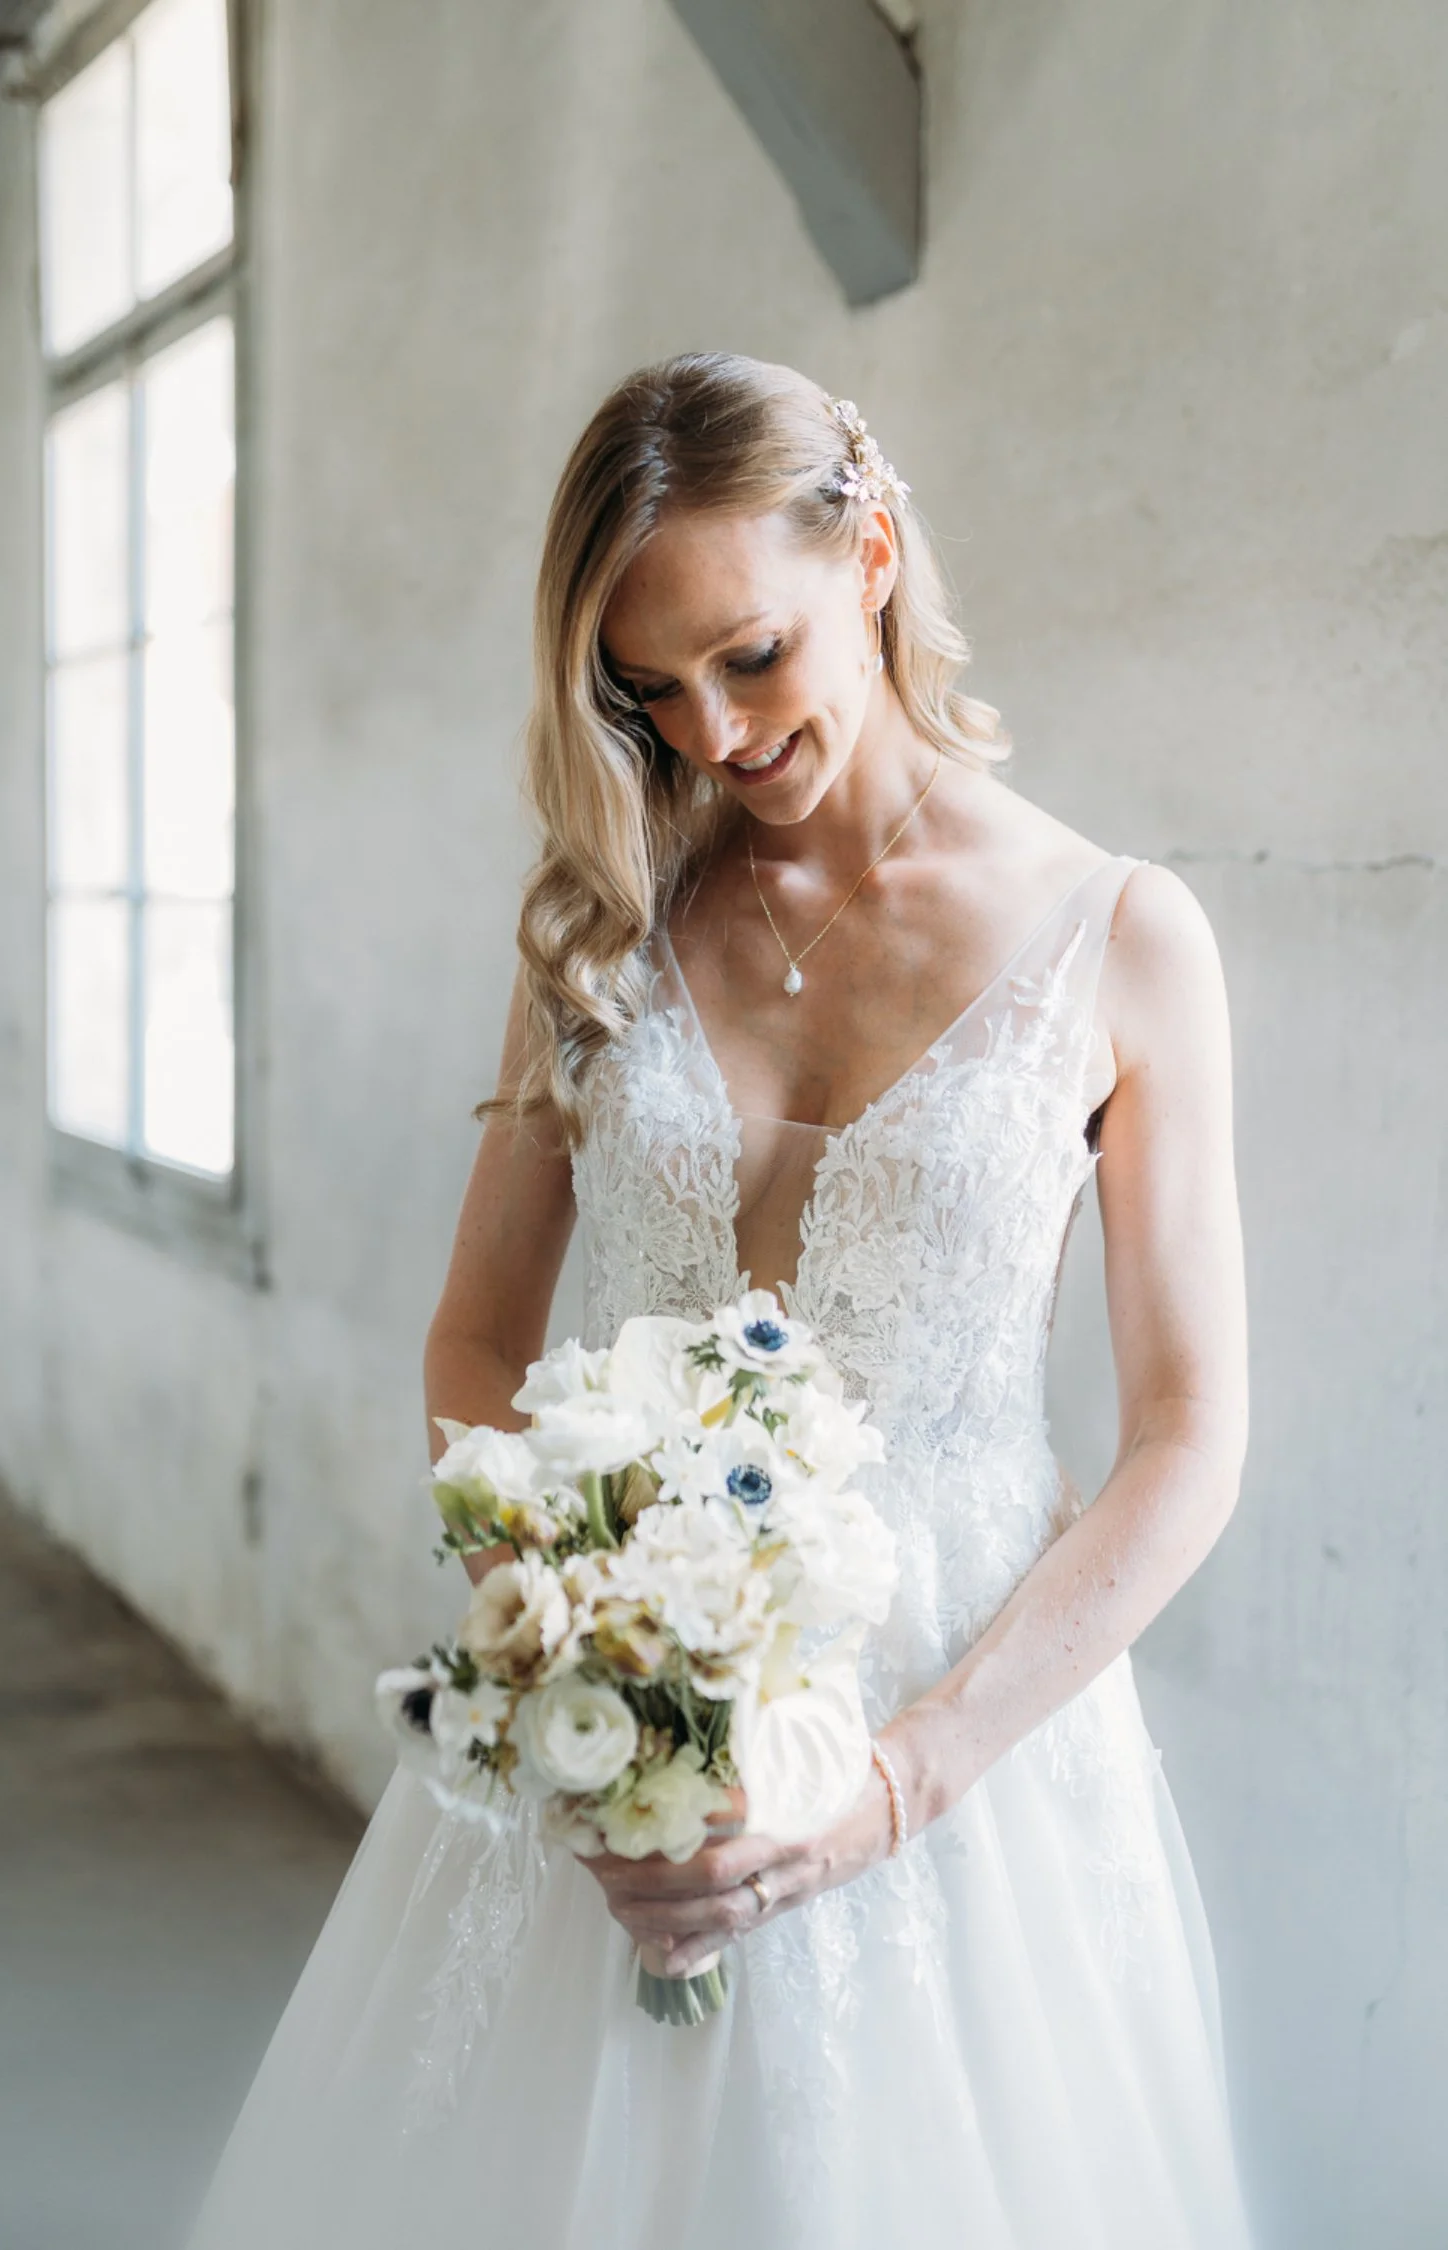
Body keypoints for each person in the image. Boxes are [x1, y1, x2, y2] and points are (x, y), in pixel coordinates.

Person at [187, 353, 1255, 2248]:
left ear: (871, 553)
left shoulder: (1124, 936)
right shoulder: (597, 923)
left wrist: (900, 1780)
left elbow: (1187, 1439)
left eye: (748, 655)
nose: (710, 731)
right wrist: (557, 1639)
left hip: (962, 1729)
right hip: (626, 1699)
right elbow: (477, 1335)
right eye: (647, 690)